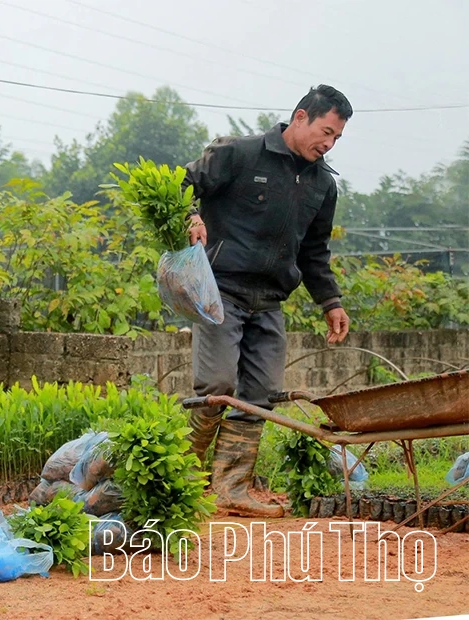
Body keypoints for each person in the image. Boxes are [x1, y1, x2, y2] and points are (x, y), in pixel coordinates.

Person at [181, 85, 353, 517]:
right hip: (220, 290)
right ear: (300, 117)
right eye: (326, 131)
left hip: (271, 300)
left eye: (336, 138)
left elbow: (314, 253)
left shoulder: (321, 185)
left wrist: (330, 302)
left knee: (260, 395)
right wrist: (192, 216)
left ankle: (231, 489)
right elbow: (180, 184)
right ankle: (181, 479)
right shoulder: (238, 154)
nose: (328, 144)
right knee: (218, 386)